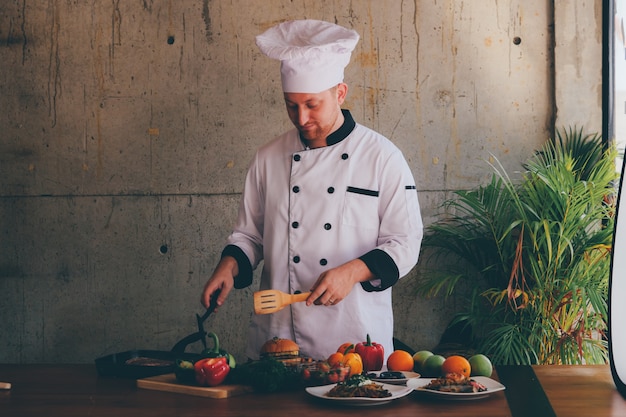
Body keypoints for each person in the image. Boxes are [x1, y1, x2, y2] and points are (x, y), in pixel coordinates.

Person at [201, 19, 423, 361]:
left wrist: (352, 272)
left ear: (340, 92)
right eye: (291, 105)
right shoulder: (268, 158)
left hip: (354, 342)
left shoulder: (382, 157)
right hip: (279, 340)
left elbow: (405, 244)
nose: (301, 118)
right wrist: (228, 267)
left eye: (312, 104)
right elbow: (250, 236)